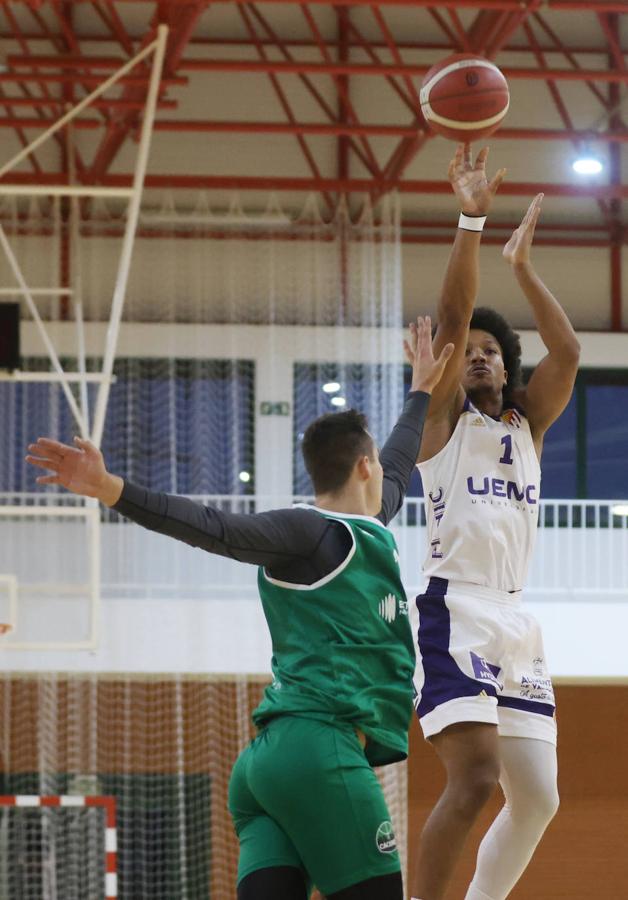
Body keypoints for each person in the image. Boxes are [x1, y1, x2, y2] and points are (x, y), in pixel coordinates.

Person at [26, 317, 453, 900]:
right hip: (319, 750)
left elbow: (401, 460)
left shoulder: (365, 528)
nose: (388, 470)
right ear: (362, 468)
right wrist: (112, 490)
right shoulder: (310, 532)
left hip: (264, 770)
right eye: (378, 463)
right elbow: (217, 528)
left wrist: (421, 390)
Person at [408, 145, 580, 900]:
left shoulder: (526, 428)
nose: (476, 356)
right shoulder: (441, 426)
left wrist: (523, 267)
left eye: (489, 352)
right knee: (475, 781)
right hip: (456, 607)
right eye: (466, 351)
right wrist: (473, 218)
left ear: (506, 368)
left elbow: (568, 350)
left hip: (514, 620)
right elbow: (450, 315)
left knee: (538, 799)